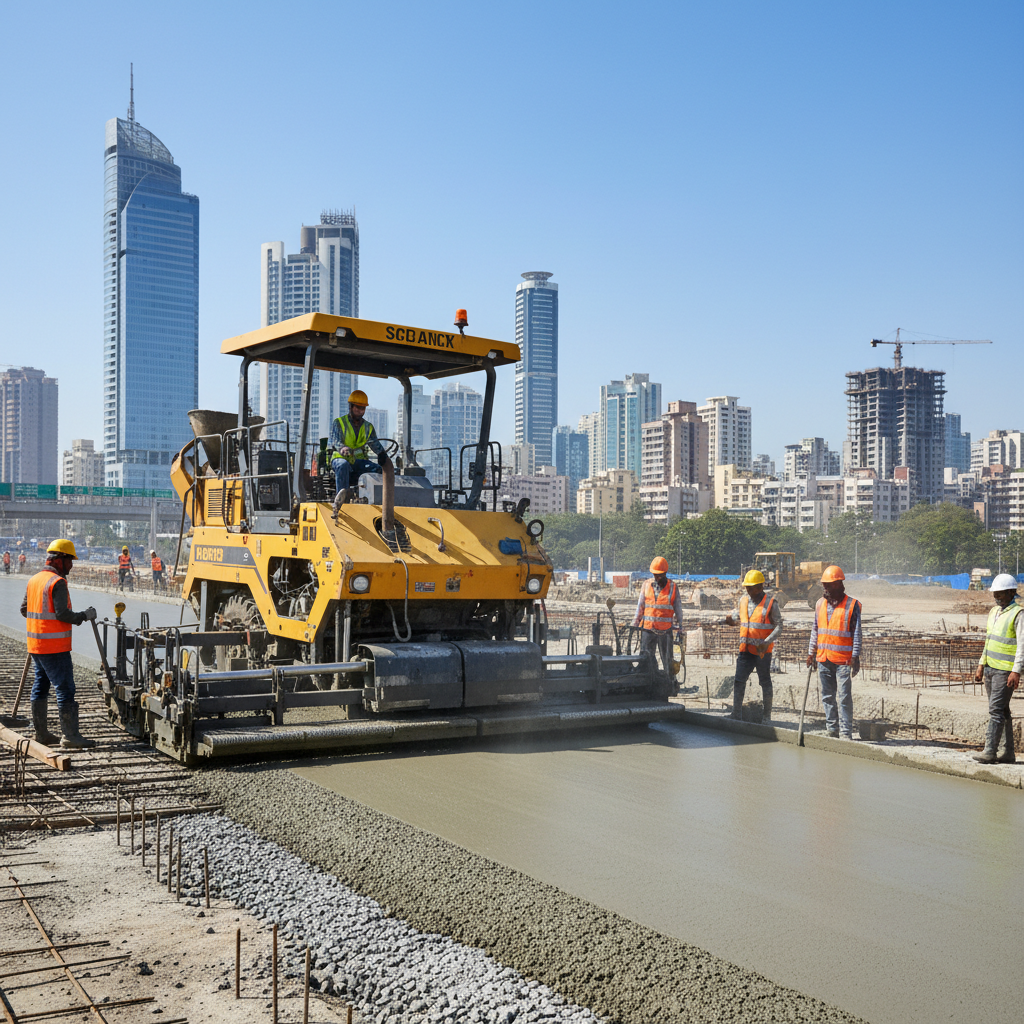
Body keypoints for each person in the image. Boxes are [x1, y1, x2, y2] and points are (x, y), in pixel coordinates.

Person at [19, 539, 96, 749]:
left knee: (41, 686)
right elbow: (63, 614)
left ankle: (41, 734)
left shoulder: (34, 580)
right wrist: (84, 615)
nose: (71, 565)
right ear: (59, 560)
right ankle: (70, 736)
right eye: (70, 560)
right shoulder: (57, 582)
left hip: (36, 645)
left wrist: (40, 624)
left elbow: (25, 610)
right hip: (54, 647)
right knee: (65, 688)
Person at [806, 565, 862, 739]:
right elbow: (815, 629)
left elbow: (857, 633)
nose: (825, 588)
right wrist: (811, 653)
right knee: (827, 696)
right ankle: (832, 729)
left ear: (839, 584)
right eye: (824, 585)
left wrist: (855, 656)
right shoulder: (819, 604)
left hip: (843, 660)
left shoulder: (852, 605)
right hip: (823, 657)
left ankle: (846, 732)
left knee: (844, 697)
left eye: (829, 585)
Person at [971, 573, 1021, 765]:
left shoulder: (1018, 614)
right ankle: (1007, 753)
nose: (996, 597)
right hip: (991, 668)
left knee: (995, 711)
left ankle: (990, 751)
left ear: (1011, 592)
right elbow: (989, 640)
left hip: (1005, 671)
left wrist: (1016, 671)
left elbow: (1022, 646)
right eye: (995, 594)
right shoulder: (994, 612)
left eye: (1000, 593)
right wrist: (981, 664)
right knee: (1002, 710)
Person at [724, 569, 783, 724]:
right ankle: (736, 714)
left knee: (765, 681)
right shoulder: (743, 600)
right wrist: (731, 620)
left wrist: (767, 641)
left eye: (751, 587)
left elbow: (779, 626)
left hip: (762, 652)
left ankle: (766, 717)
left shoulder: (771, 603)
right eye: (747, 587)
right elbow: (739, 617)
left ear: (760, 587)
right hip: (745, 650)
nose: (748, 590)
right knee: (739, 680)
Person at [632, 556, 684, 697]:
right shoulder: (646, 585)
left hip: (665, 630)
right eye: (655, 575)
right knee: (645, 658)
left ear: (665, 574)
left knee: (667, 659)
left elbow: (678, 607)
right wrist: (635, 623)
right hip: (647, 629)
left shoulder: (672, 587)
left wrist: (681, 625)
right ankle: (645, 684)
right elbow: (640, 606)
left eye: (659, 575)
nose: (656, 578)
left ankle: (669, 683)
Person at [329, 389, 391, 507]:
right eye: (357, 407)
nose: (360, 411)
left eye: (362, 408)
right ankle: (342, 500)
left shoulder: (368, 427)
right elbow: (335, 441)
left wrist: (382, 454)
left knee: (377, 469)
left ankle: (375, 501)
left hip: (358, 461)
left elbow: (375, 444)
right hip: (340, 458)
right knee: (343, 465)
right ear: (351, 407)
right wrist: (342, 448)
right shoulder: (339, 423)